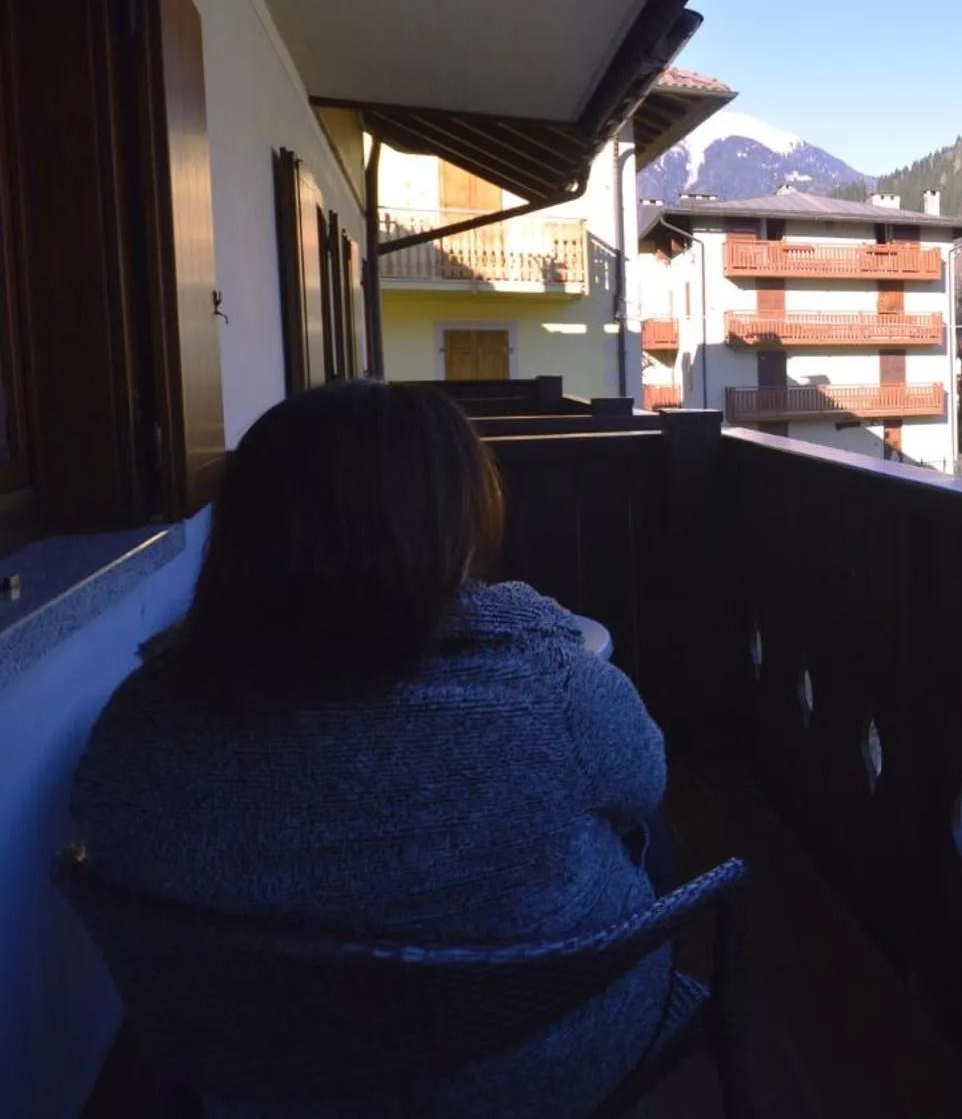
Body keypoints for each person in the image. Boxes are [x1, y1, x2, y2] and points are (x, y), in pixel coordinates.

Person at [70, 380, 674, 1117]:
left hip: (266, 1080)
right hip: (530, 1070)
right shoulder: (556, 692)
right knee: (641, 825)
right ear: (449, 520)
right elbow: (645, 784)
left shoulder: (143, 723)